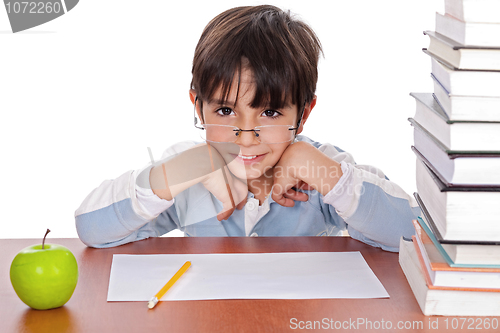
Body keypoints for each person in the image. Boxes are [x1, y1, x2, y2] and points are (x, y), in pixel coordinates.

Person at [75, 5, 419, 251]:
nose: (246, 135)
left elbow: (415, 235)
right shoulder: (189, 170)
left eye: (269, 112)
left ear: (303, 114)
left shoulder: (321, 168)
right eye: (226, 110)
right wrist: (185, 169)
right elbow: (92, 230)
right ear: (198, 105)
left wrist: (319, 170)